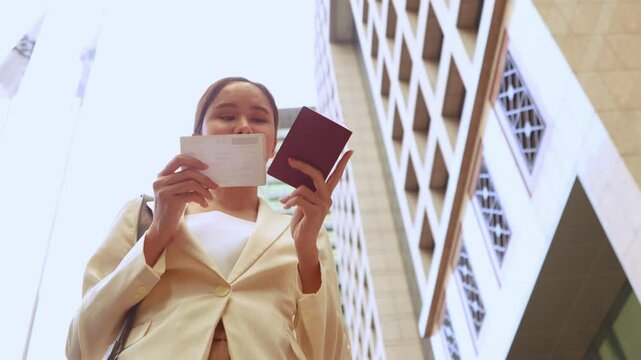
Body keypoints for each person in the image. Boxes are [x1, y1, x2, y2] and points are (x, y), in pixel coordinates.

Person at [65, 77, 353, 359]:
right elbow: (81, 344)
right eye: (226, 116)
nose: (243, 127)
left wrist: (306, 256)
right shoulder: (144, 215)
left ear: (272, 146)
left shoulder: (303, 231)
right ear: (197, 136)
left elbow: (331, 355)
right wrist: (156, 236)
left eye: (259, 119)